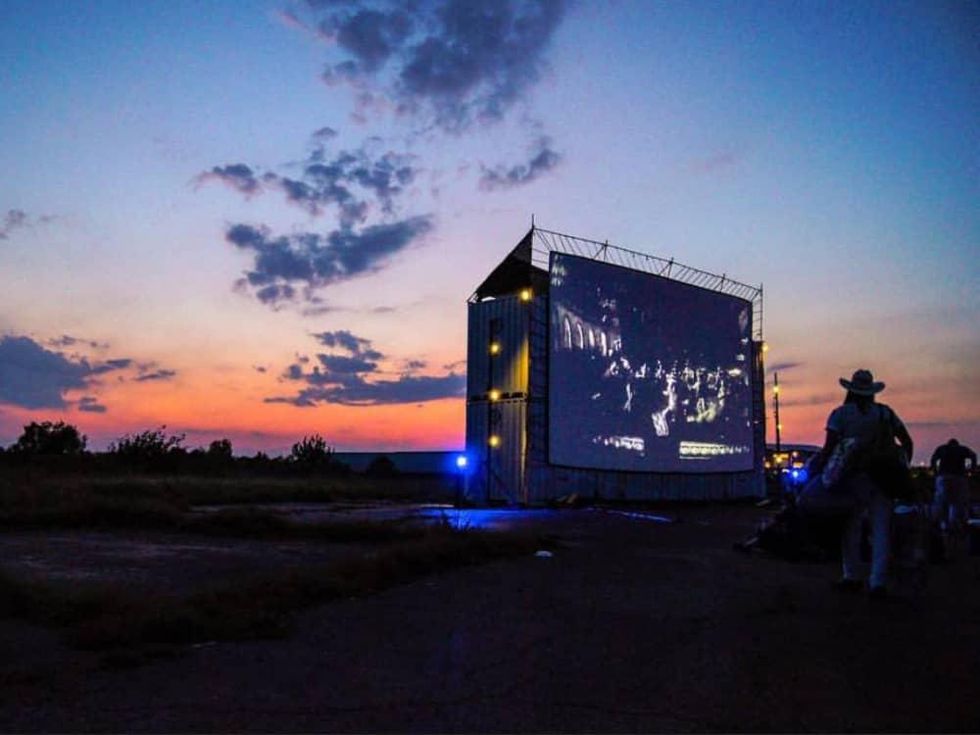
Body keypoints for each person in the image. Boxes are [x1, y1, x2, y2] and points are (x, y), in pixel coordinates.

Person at [816, 369, 913, 597]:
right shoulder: (885, 413)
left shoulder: (840, 415)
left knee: (850, 528)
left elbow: (829, 448)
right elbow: (906, 440)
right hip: (883, 477)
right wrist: (901, 467)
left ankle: (852, 575)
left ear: (850, 390)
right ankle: (878, 581)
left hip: (852, 477)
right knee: (881, 528)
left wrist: (820, 469)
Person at [930, 438, 977, 557]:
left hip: (943, 477)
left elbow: (933, 459)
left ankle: (942, 527)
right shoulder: (962, 449)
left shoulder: (942, 449)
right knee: (957, 504)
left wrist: (936, 472)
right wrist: (971, 470)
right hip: (959, 478)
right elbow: (973, 455)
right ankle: (955, 528)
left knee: (942, 504)